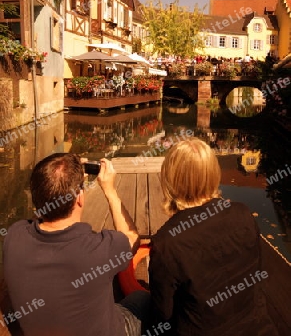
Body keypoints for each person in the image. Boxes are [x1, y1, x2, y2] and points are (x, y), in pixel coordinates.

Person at [3, 154, 149, 336]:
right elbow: (132, 238)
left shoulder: (13, 237)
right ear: (79, 198)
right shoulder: (98, 250)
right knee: (142, 299)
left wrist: (59, 179)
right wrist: (110, 190)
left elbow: (38, 218)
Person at [148, 138, 278, 336]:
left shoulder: (166, 243)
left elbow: (162, 317)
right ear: (212, 174)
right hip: (260, 330)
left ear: (170, 179)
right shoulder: (242, 213)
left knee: (137, 303)